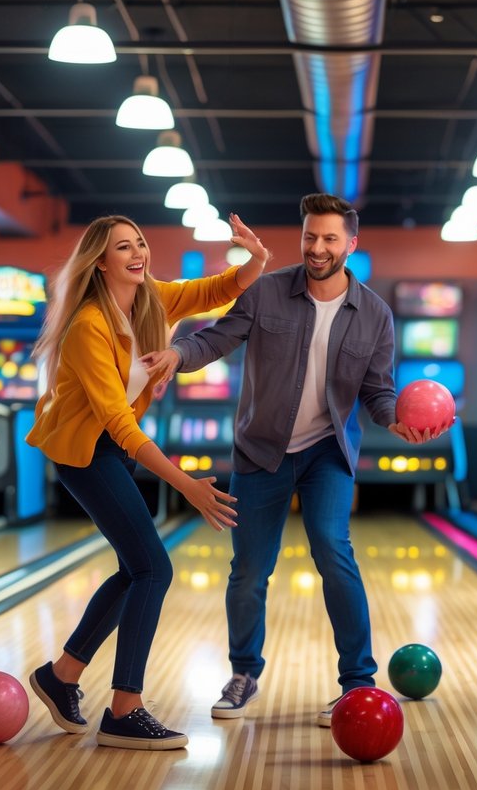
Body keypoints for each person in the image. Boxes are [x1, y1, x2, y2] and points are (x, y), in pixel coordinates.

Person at [144, 193, 452, 728]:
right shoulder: (265, 291)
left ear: (350, 245)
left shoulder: (375, 314)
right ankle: (244, 673)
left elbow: (378, 391)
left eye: (331, 238)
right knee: (248, 571)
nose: (318, 247)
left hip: (327, 451)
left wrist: (393, 420)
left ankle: (357, 682)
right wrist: (179, 354)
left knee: (334, 551)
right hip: (261, 449)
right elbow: (218, 338)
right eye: (311, 236)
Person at [26, 213, 270, 751]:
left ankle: (61, 675)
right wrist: (187, 484)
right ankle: (124, 709)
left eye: (139, 243)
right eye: (122, 247)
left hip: (114, 449)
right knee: (154, 569)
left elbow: (215, 289)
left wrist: (255, 259)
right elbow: (117, 421)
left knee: (137, 569)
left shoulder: (149, 299)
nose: (137, 253)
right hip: (85, 452)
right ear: (100, 261)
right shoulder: (89, 325)